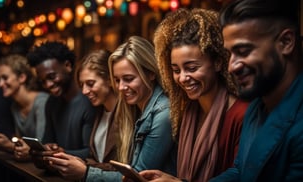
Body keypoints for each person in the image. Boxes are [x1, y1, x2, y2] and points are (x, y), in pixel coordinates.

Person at [139, 8, 249, 182]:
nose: (182, 78)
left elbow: (243, 176)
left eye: (192, 68)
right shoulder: (187, 112)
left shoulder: (241, 114)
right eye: (176, 70)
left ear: (218, 63)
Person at [210, 0, 303, 181]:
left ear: (286, 42)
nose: (231, 67)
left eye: (243, 51)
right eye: (229, 54)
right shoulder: (256, 106)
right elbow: (240, 172)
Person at [81, 36, 176, 181]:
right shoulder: (132, 109)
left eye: (129, 79)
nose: (120, 87)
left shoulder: (162, 113)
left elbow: (138, 177)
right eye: (117, 80)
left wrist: (86, 174)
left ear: (151, 73)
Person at [43, 49, 119, 180]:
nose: (84, 91)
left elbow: (126, 168)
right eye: (82, 84)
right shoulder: (99, 111)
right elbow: (95, 157)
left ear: (109, 79)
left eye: (90, 84)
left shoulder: (128, 115)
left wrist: (86, 170)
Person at [26, 41, 96, 168]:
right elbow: (47, 142)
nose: (48, 85)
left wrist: (60, 153)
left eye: (52, 77)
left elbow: (91, 153)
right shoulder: (51, 103)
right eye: (43, 81)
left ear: (68, 65)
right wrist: (46, 149)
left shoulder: (89, 101)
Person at [0, 54, 50, 161]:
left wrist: (10, 145)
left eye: (5, 78)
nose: (0, 84)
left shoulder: (42, 102)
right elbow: (21, 142)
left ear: (22, 77)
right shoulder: (15, 106)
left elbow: (42, 147)